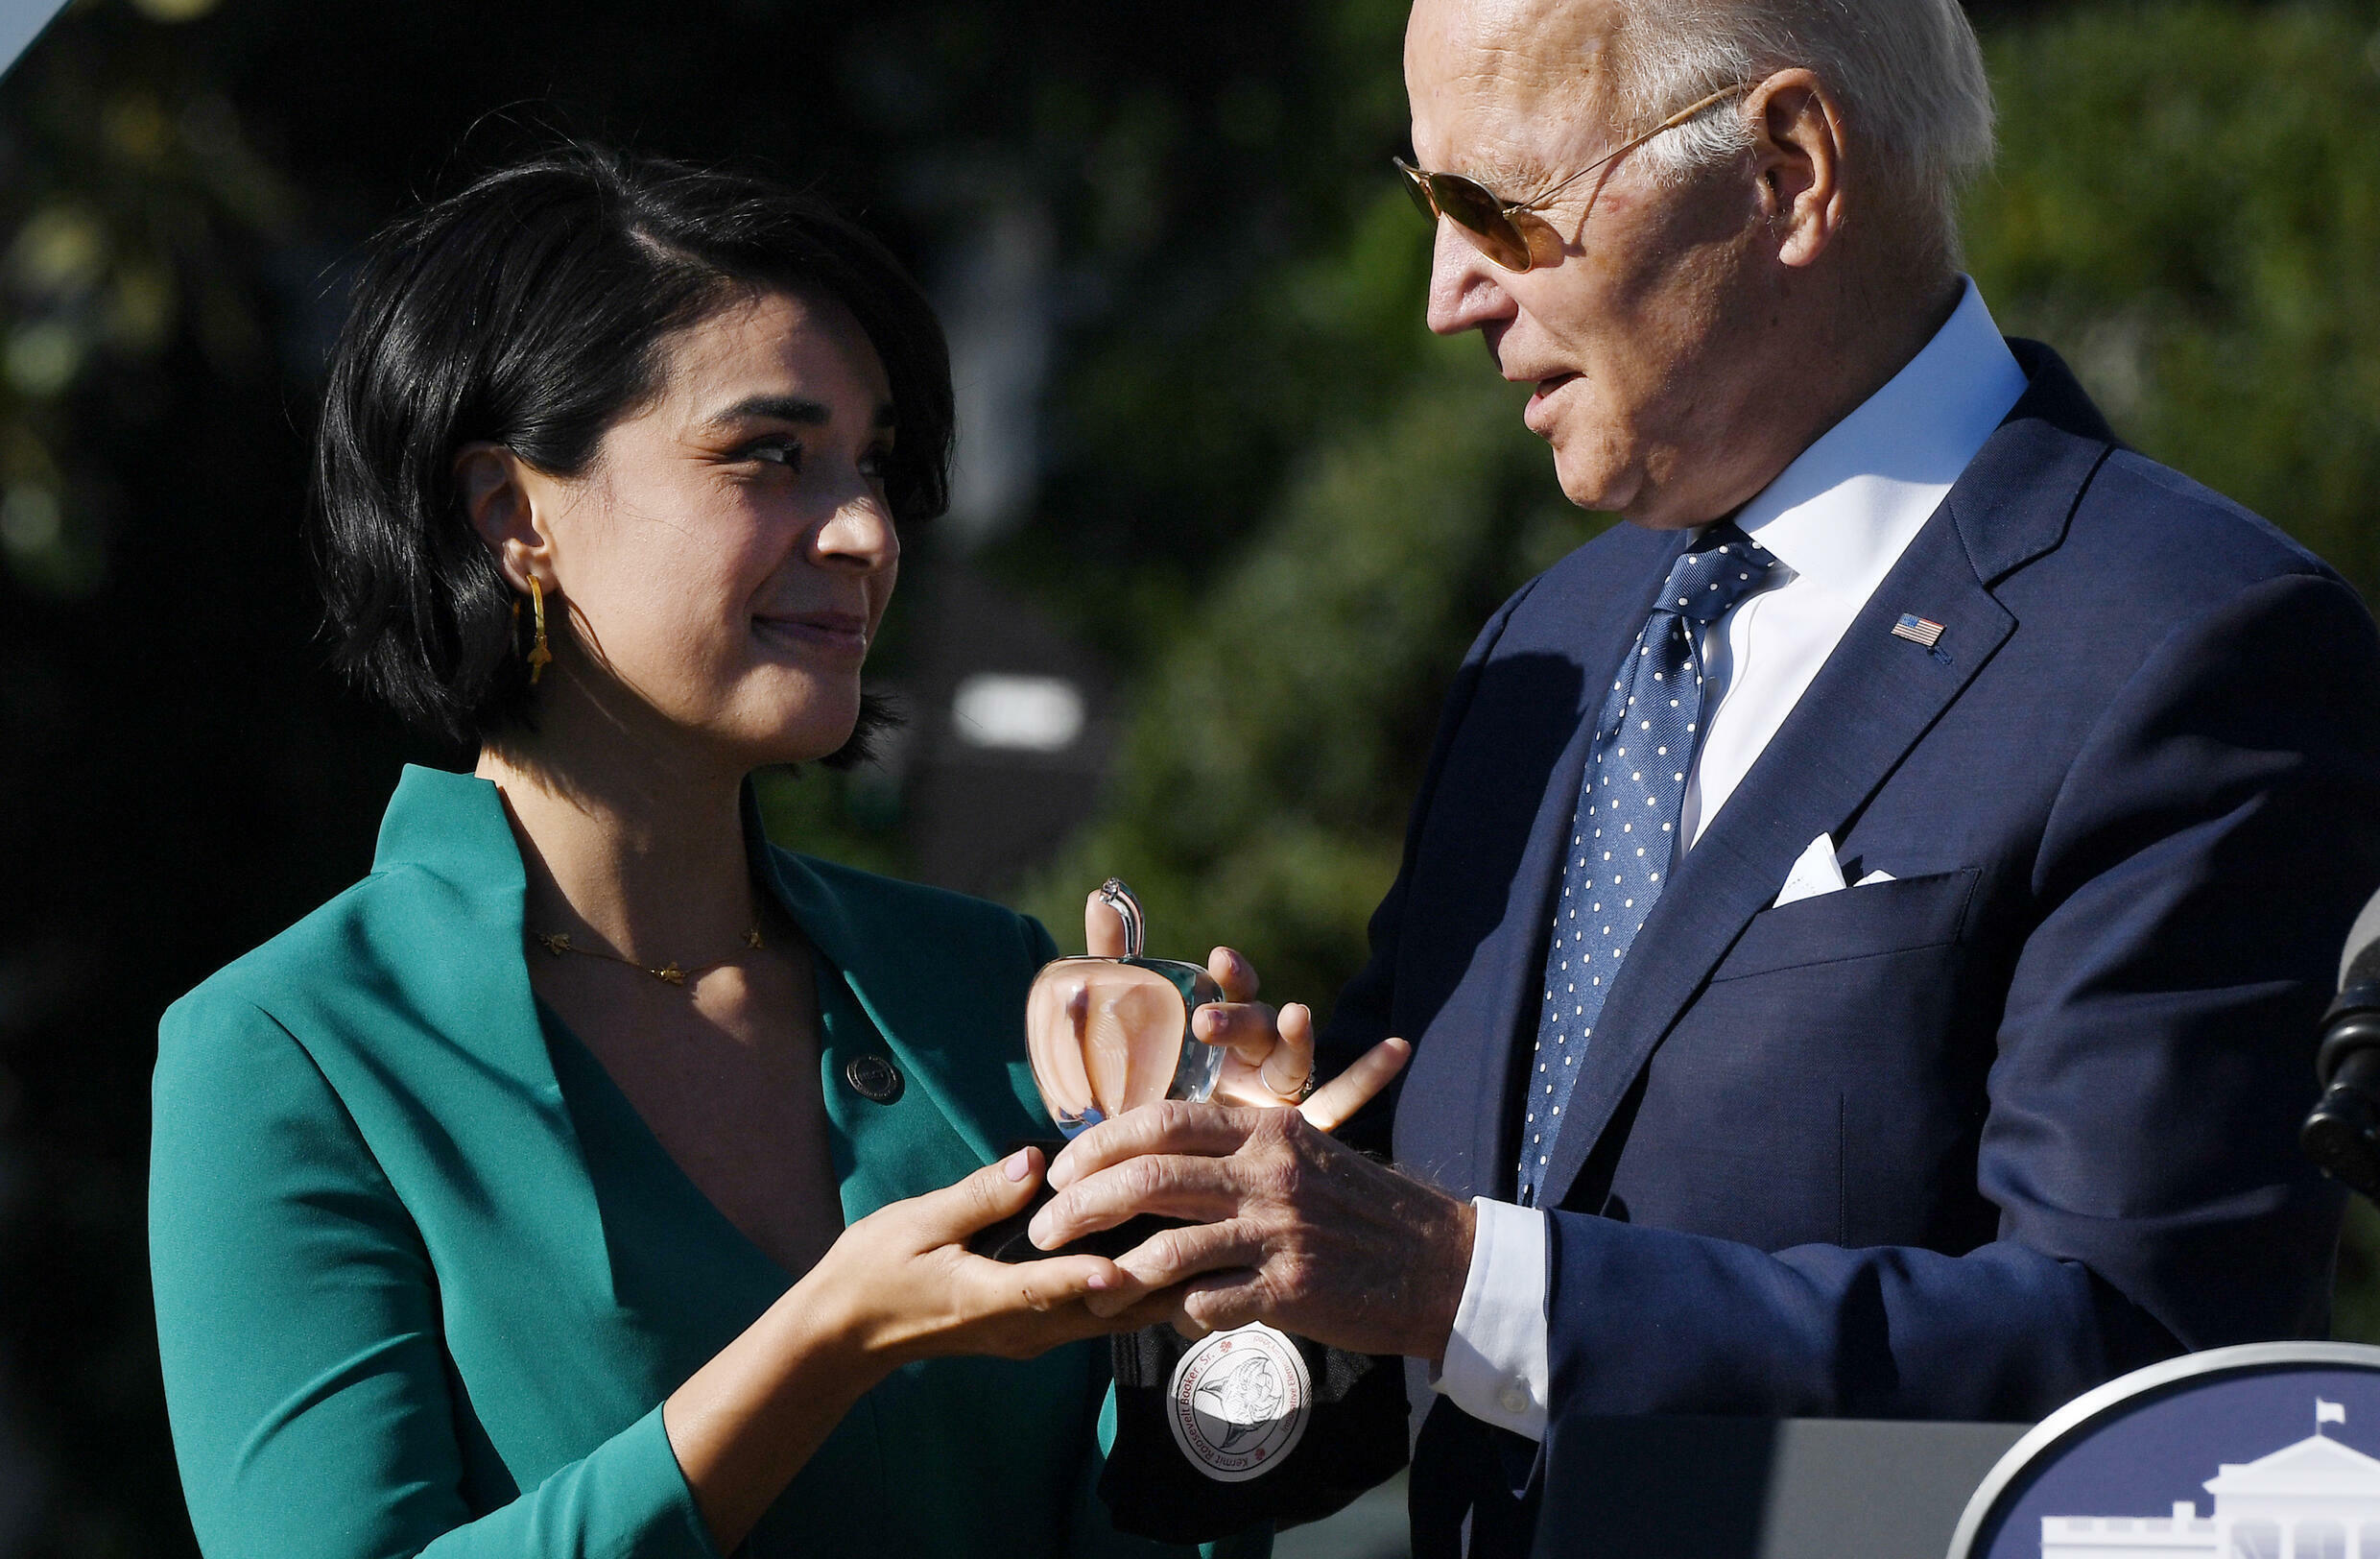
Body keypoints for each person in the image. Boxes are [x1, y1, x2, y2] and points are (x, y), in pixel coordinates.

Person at [1026, 1, 2380, 1553]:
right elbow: (1420, 1367)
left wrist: (1457, 1271)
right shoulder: (1551, 643)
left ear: (1789, 170)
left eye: (1497, 211)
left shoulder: (2185, 638)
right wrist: (1231, 1247)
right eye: (1428, 206)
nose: (1446, 294)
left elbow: (2148, 1379)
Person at [147, 146, 1298, 1559]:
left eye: (872, 464)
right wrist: (821, 1344)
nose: (869, 531)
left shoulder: (992, 985)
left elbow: (1156, 1519)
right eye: (769, 455)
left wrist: (1236, 1288)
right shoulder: (293, 1047)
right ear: (515, 517)